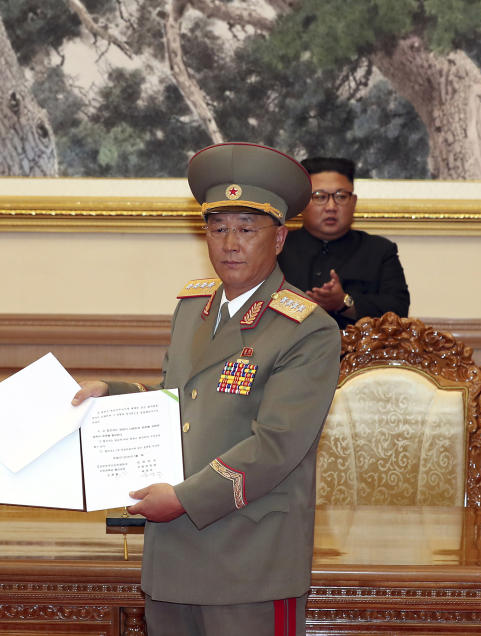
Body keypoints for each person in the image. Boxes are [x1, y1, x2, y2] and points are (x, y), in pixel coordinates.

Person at [73, 143, 341, 636]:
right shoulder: (192, 308)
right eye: (218, 228)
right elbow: (178, 400)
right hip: (174, 554)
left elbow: (276, 444)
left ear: (279, 238)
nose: (230, 243)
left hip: (250, 560)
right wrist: (107, 394)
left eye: (246, 228)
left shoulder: (306, 328)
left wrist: (183, 498)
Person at [277, 156, 410, 329]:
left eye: (341, 196)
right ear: (303, 202)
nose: (331, 206)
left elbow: (398, 310)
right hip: (289, 352)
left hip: (358, 354)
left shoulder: (380, 251)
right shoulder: (277, 248)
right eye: (319, 196)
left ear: (353, 202)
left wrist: (344, 303)